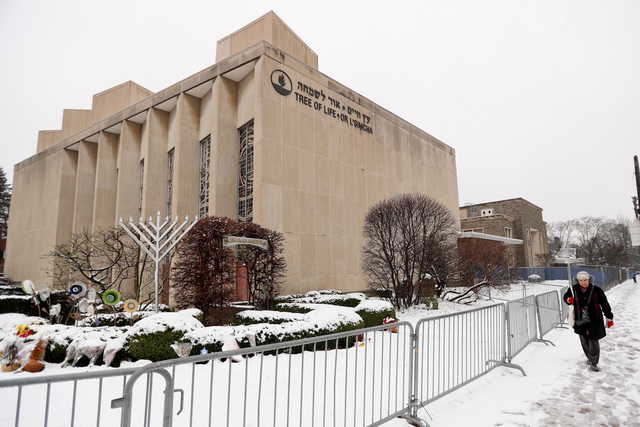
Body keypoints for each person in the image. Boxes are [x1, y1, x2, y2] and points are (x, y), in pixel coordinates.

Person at [563, 271, 614, 372]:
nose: (583, 282)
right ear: (578, 281)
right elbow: (566, 297)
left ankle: (594, 362)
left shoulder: (596, 290)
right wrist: (569, 299)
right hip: (579, 319)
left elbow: (604, 304)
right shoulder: (573, 289)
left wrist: (609, 317)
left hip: (595, 319)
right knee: (584, 340)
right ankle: (590, 357)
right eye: (581, 280)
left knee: (593, 340)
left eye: (585, 280)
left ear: (589, 279)